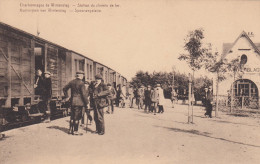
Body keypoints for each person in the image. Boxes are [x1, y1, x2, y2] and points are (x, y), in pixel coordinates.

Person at [63, 71, 88, 135]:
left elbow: (64, 89)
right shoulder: (81, 83)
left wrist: (67, 97)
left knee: (72, 116)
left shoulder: (72, 82)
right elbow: (84, 94)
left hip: (72, 101)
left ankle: (70, 130)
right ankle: (75, 131)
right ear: (81, 76)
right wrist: (87, 103)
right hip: (79, 102)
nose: (83, 76)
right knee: (77, 117)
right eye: (83, 75)